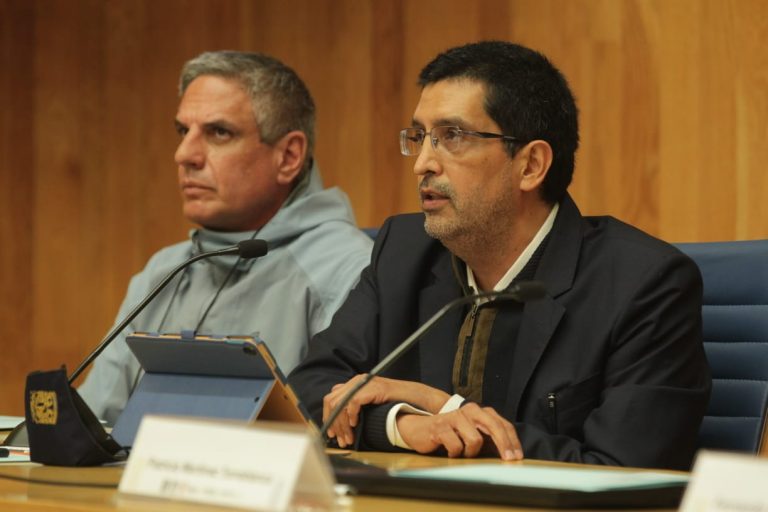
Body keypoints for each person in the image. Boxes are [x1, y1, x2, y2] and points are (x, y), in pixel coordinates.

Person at [288, 41, 711, 470]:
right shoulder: (403, 250)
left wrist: (439, 405)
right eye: (420, 137)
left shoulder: (644, 285)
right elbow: (310, 390)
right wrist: (404, 423)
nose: (422, 164)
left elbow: (623, 469)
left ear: (530, 165)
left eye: (452, 137)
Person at [79, 51, 373, 425]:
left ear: (288, 156)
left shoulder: (349, 270)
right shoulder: (165, 271)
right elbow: (91, 427)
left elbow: (342, 438)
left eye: (219, 133)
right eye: (183, 132)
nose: (184, 155)